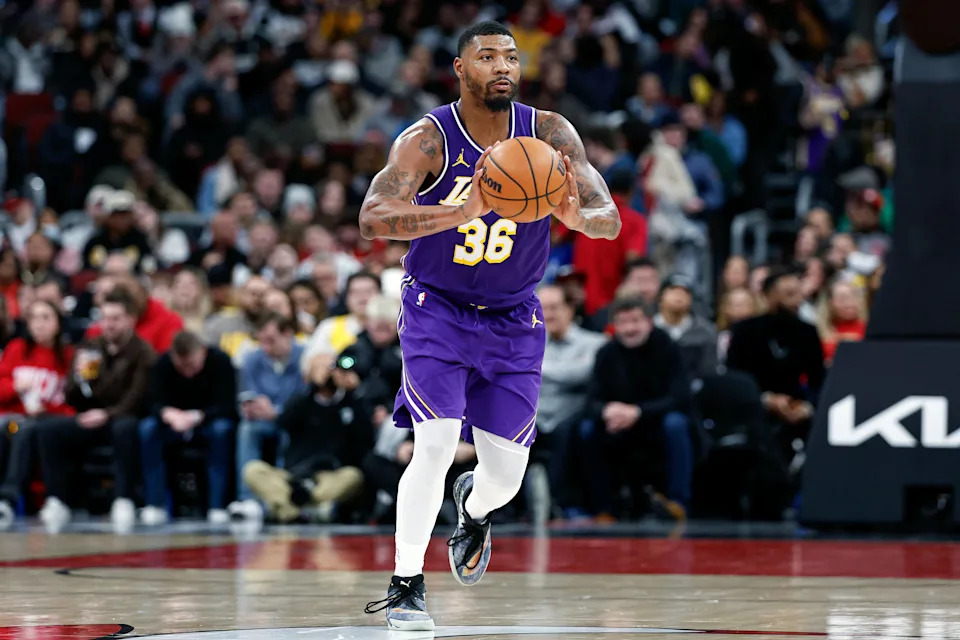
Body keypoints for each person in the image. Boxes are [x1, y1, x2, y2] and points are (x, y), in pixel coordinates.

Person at [359, 21, 620, 630]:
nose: (502, 65)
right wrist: (457, 209)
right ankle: (405, 585)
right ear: (460, 68)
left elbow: (608, 215)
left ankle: (473, 509)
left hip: (513, 316)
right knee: (436, 442)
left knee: (505, 476)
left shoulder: (550, 133)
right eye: (486, 56)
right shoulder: (428, 140)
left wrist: (574, 214)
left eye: (511, 56)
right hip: (437, 309)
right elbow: (373, 219)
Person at [32, 288, 155, 533]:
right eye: (105, 318)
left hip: (121, 417)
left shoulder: (143, 352)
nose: (108, 325)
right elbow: (73, 396)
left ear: (130, 319)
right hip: (90, 417)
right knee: (48, 429)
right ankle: (57, 500)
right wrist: (78, 378)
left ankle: (123, 499)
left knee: (125, 428)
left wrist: (107, 414)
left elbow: (137, 399)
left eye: (115, 319)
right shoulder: (91, 346)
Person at [580, 298, 693, 521]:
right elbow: (591, 400)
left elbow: (680, 398)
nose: (630, 328)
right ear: (614, 325)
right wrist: (607, 411)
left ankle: (678, 502)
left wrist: (638, 412)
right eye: (623, 322)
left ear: (649, 322)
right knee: (587, 429)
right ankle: (602, 508)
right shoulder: (606, 353)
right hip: (619, 426)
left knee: (676, 423)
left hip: (657, 421)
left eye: (636, 321)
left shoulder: (668, 347)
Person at [241, 352, 373, 523]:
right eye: (323, 367)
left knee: (354, 476)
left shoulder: (349, 403)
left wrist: (353, 394)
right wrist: (313, 386)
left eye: (332, 366)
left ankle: (290, 508)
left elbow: (365, 438)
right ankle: (309, 509)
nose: (330, 372)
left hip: (329, 476)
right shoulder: (302, 401)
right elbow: (283, 421)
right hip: (294, 476)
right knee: (253, 470)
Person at [726, 268, 826, 462]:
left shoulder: (807, 332)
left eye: (798, 294)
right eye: (789, 295)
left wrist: (807, 406)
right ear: (768, 296)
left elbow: (818, 380)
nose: (797, 301)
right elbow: (734, 378)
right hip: (753, 404)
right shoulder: (745, 331)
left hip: (795, 406)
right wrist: (766, 399)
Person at [139, 331, 237, 526]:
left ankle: (217, 505)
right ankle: (154, 503)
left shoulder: (220, 361)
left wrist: (197, 416)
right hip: (173, 423)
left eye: (191, 366)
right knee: (147, 429)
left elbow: (228, 406)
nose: (187, 373)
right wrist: (167, 413)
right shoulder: (163, 364)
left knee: (222, 430)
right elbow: (150, 401)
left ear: (202, 352)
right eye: (181, 367)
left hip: (207, 422)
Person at [533, 284, 606, 522]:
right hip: (536, 418)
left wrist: (530, 367)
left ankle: (566, 505)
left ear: (570, 309)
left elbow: (582, 374)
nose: (549, 314)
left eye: (554, 307)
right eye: (543, 308)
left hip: (571, 417)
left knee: (570, 432)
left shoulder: (594, 343)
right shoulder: (531, 342)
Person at [0, 300, 76, 529]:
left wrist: (47, 410)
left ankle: (8, 500)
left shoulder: (69, 356)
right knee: (10, 428)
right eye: (34, 318)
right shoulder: (17, 349)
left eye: (46, 317)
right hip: (11, 421)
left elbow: (73, 404)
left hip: (45, 423)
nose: (39, 324)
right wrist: (15, 387)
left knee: (25, 431)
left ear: (58, 323)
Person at [229, 314, 307, 519]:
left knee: (290, 430)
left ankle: (283, 494)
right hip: (263, 421)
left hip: (294, 422)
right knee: (246, 429)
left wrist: (278, 412)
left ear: (288, 334)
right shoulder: (252, 358)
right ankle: (248, 499)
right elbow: (246, 395)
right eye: (261, 341)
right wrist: (251, 407)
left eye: (271, 341)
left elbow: (305, 403)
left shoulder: (305, 358)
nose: (265, 347)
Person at [300, 271, 380, 375]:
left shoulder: (396, 326)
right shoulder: (329, 326)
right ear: (346, 297)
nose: (363, 297)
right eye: (356, 292)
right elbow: (308, 365)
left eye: (368, 291)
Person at [654, 275, 718, 381]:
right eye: (673, 290)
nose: (679, 295)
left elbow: (709, 372)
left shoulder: (705, 332)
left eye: (685, 292)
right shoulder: (648, 329)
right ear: (660, 297)